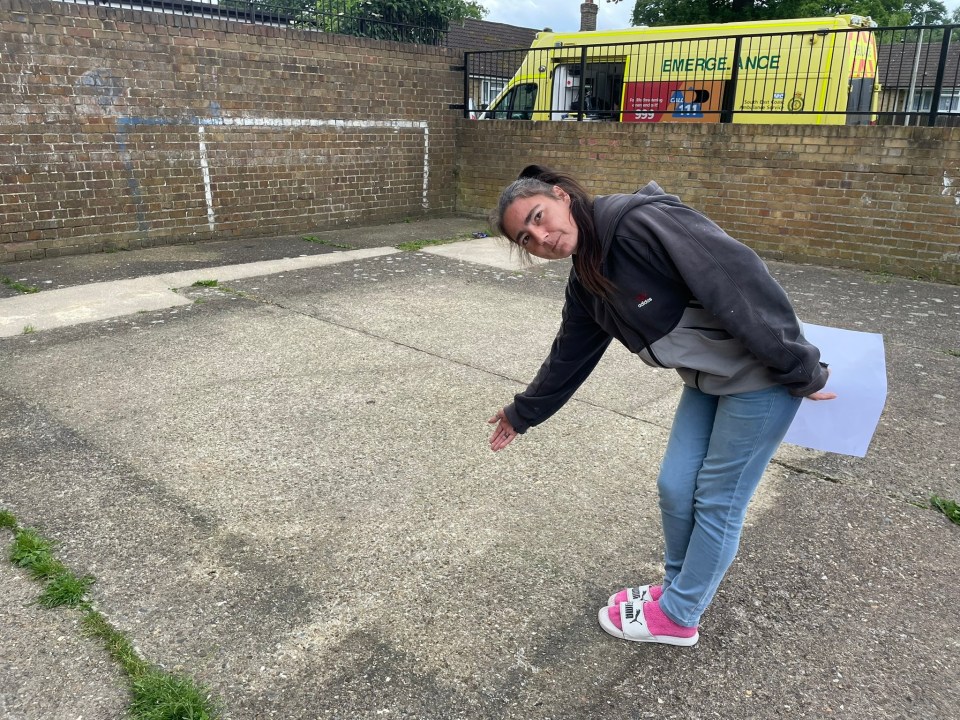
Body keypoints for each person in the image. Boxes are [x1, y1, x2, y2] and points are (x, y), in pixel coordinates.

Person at [487, 165, 836, 647]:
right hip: (707, 381)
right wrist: (522, 412)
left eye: (540, 217)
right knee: (674, 486)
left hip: (761, 378)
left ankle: (679, 616)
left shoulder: (637, 223)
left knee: (718, 499)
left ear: (562, 196)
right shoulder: (587, 275)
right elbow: (571, 352)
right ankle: (674, 591)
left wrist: (799, 367)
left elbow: (736, 278)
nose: (541, 237)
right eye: (526, 238)